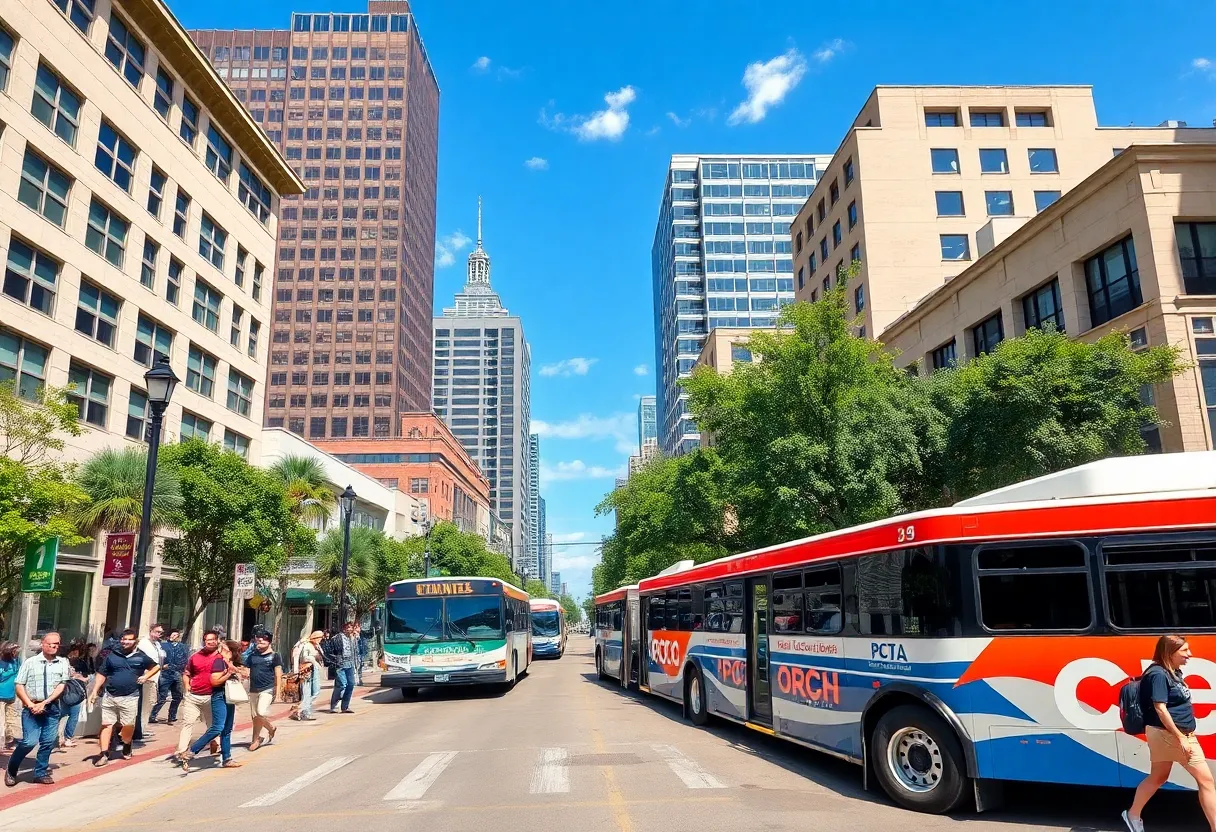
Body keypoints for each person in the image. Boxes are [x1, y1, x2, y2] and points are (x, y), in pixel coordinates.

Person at [1123, 635, 1216, 832]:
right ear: (1169, 652)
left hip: (1168, 733)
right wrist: (1180, 737)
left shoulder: (1173, 671)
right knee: (1206, 781)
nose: (1189, 655)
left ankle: (1132, 815)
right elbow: (1160, 708)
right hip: (1170, 734)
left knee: (1158, 777)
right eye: (1184, 651)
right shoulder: (1158, 674)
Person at [5, 632, 70, 786]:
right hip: (31, 707)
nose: (53, 646)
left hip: (52, 707)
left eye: (56, 643)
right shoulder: (30, 662)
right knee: (29, 741)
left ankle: (40, 773)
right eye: (50, 643)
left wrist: (46, 702)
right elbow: (19, 684)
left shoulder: (62, 662)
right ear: (42, 644)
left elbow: (62, 685)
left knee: (48, 742)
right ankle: (12, 770)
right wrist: (30, 704)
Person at [88, 628, 160, 767]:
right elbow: (102, 673)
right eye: (123, 639)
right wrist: (95, 691)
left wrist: (146, 676)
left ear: (135, 641)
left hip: (130, 697)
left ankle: (127, 744)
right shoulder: (112, 655)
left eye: (129, 639)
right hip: (110, 695)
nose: (125, 642)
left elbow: (156, 667)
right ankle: (104, 754)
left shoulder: (141, 656)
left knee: (127, 726)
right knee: (106, 724)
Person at [177, 631, 238, 772]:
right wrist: (229, 673)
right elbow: (214, 681)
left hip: (228, 696)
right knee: (217, 727)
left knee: (227, 729)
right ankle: (191, 751)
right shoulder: (218, 662)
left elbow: (244, 673)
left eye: (224, 648)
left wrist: (236, 670)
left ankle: (227, 758)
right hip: (217, 695)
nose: (220, 649)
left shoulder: (226, 661)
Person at [246, 631, 283, 751]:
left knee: (260, 712)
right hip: (253, 689)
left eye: (264, 639)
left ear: (269, 642)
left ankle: (258, 737)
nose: (260, 641)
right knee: (255, 716)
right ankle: (261, 735)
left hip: (267, 688)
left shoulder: (275, 656)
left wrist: (278, 692)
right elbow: (246, 670)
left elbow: (278, 675)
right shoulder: (252, 656)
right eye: (258, 639)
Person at [132, 624, 165, 744]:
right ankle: (139, 730)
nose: (159, 634)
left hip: (154, 678)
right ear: (151, 631)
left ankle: (143, 727)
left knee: (149, 704)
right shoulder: (143, 643)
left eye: (160, 632)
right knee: (143, 704)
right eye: (157, 632)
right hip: (146, 678)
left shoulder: (157, 644)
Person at [58, 640, 89, 751]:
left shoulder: (79, 662)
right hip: (68, 691)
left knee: (67, 714)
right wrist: (78, 677)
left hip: (70, 691)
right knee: (69, 714)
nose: (75, 654)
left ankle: (64, 738)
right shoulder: (63, 661)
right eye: (73, 652)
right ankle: (64, 738)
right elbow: (70, 675)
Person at [150, 628, 187, 725]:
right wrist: (163, 666)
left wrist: (181, 669)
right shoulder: (163, 645)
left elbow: (184, 659)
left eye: (175, 635)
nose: (173, 637)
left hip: (177, 673)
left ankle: (172, 716)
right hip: (165, 673)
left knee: (178, 696)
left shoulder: (183, 647)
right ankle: (152, 715)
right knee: (162, 696)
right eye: (172, 635)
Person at [324, 622, 360, 714]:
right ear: (344, 629)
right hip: (340, 664)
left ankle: (345, 707)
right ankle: (334, 706)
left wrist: (357, 664)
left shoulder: (353, 638)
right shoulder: (337, 638)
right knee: (341, 685)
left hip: (350, 664)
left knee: (351, 684)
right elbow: (330, 650)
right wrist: (334, 660)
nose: (350, 629)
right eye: (348, 628)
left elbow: (356, 652)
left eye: (351, 628)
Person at [290, 631, 323, 721]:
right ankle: (304, 712)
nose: (320, 639)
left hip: (314, 670)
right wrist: (314, 659)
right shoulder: (307, 645)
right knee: (307, 692)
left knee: (315, 692)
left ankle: (300, 708)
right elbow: (305, 657)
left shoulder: (316, 646)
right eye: (319, 637)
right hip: (307, 671)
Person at [0, 642, 21, 751]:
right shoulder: (1, 662)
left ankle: (10, 740)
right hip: (1, 694)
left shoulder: (16, 661)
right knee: (1, 720)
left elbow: (20, 674)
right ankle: (1, 743)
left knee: (11, 719)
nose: (16, 653)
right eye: (14, 650)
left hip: (12, 694)